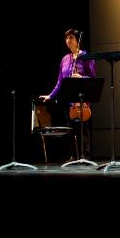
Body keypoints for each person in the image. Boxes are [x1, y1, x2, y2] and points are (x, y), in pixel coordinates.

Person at [39, 29, 97, 160]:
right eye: (66, 38)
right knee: (71, 129)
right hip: (68, 99)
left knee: (83, 129)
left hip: (83, 98)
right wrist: (50, 95)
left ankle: (85, 156)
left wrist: (81, 77)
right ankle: (74, 155)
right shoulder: (65, 59)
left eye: (71, 38)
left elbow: (93, 78)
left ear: (77, 41)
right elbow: (60, 81)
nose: (68, 41)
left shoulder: (86, 56)